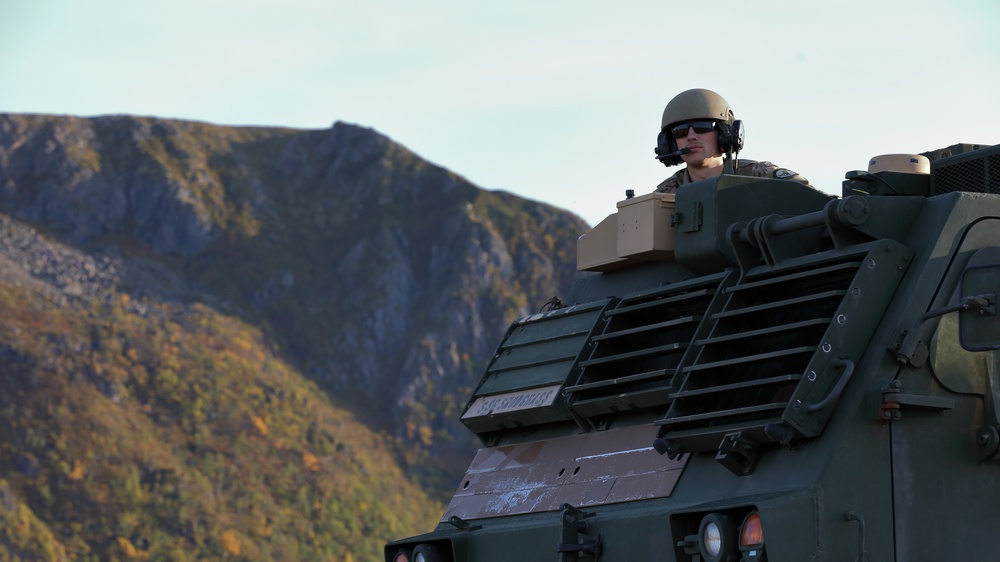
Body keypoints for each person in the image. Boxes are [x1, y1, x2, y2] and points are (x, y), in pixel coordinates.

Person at [654, 88, 810, 193]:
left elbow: (825, 207)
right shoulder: (665, 194)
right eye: (680, 131)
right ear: (669, 144)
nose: (691, 136)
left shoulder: (759, 176)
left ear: (726, 133)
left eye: (702, 127)